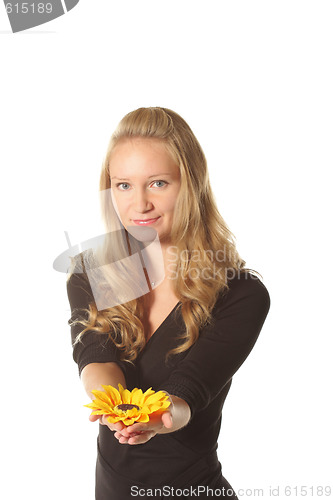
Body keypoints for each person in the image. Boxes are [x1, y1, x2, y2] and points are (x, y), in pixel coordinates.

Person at [66, 107, 270, 499]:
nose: (138, 204)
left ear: (190, 185)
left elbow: (188, 391)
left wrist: (159, 418)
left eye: (158, 183)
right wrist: (117, 411)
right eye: (123, 185)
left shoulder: (240, 295)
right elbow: (96, 357)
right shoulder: (91, 272)